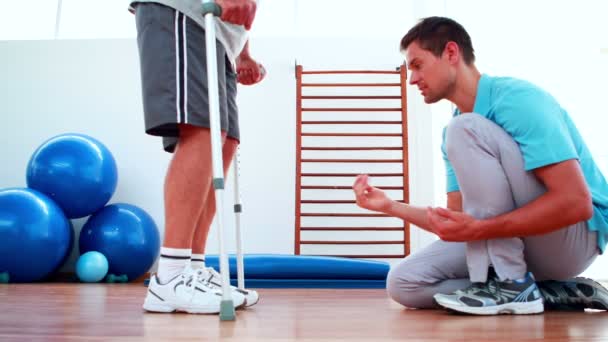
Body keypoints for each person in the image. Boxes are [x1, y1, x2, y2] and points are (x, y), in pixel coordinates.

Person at [353, 16, 608, 315]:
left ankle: (512, 282)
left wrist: (483, 228)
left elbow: (576, 203)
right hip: (522, 242)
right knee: (404, 283)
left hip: (573, 238)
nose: (412, 79)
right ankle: (547, 291)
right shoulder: (456, 134)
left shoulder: (517, 101)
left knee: (465, 128)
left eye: (418, 65)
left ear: (450, 53)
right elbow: (459, 222)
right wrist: (391, 206)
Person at [129, 0, 265, 314]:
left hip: (221, 36)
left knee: (224, 142)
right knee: (202, 132)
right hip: (185, 11)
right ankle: (169, 278)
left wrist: (243, 52)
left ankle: (192, 267)